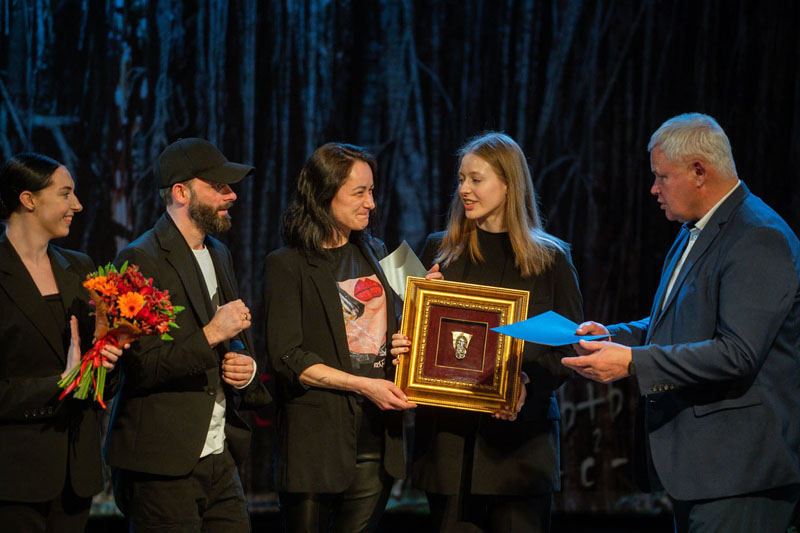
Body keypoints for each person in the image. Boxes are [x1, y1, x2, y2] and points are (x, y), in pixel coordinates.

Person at [563, 113, 800, 532]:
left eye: (661, 177)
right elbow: (678, 320)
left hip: (740, 475)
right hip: (705, 474)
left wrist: (634, 362)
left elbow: (737, 353)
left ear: (698, 172)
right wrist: (614, 336)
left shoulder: (758, 236)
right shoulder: (697, 230)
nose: (654, 189)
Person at [392, 132, 584, 532]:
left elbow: (569, 348)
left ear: (508, 184)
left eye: (476, 179)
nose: (464, 189)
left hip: (519, 452)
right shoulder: (439, 251)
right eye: (461, 179)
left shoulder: (551, 258)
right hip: (448, 450)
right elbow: (414, 341)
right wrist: (405, 337)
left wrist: (529, 382)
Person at [105, 138, 270, 531]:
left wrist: (244, 366)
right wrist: (212, 332)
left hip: (218, 456)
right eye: (218, 186)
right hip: (163, 463)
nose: (230, 195)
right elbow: (142, 366)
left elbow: (232, 338)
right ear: (181, 192)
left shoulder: (218, 252)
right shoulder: (138, 259)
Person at [264, 142, 416, 532]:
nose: (371, 203)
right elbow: (286, 357)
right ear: (324, 194)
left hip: (377, 437)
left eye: (372, 191)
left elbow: (410, 323)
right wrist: (364, 385)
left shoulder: (380, 251)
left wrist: (408, 339)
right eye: (359, 192)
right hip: (317, 441)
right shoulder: (287, 264)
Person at [0, 153, 124, 531]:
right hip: (14, 478)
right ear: (29, 199)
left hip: (76, 474)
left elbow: (101, 381)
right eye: (65, 194)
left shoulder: (80, 268)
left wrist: (110, 358)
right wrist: (58, 386)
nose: (78, 205)